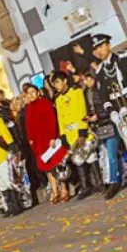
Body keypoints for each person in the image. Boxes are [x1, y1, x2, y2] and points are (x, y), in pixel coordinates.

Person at [23, 81, 70, 203]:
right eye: (28, 93)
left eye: (33, 92)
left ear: (38, 92)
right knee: (47, 167)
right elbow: (28, 126)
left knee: (57, 164)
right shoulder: (28, 109)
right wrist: (31, 140)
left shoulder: (45, 103)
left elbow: (52, 120)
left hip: (50, 139)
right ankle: (55, 191)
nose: (31, 95)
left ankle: (64, 188)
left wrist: (53, 137)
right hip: (39, 143)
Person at [53, 71, 96, 199]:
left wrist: (82, 131)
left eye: (57, 82)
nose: (56, 85)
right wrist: (63, 136)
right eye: (54, 84)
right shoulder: (58, 99)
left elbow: (82, 109)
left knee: (90, 157)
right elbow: (60, 119)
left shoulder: (76, 92)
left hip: (80, 131)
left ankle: (99, 183)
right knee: (77, 160)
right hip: (69, 134)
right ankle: (86, 187)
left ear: (65, 80)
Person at [83, 69, 121, 199]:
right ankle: (111, 180)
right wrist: (89, 118)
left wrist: (97, 116)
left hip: (109, 124)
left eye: (89, 79)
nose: (88, 82)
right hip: (100, 128)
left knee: (112, 154)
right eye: (86, 80)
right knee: (106, 155)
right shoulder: (87, 93)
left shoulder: (102, 90)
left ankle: (115, 181)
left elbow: (108, 107)